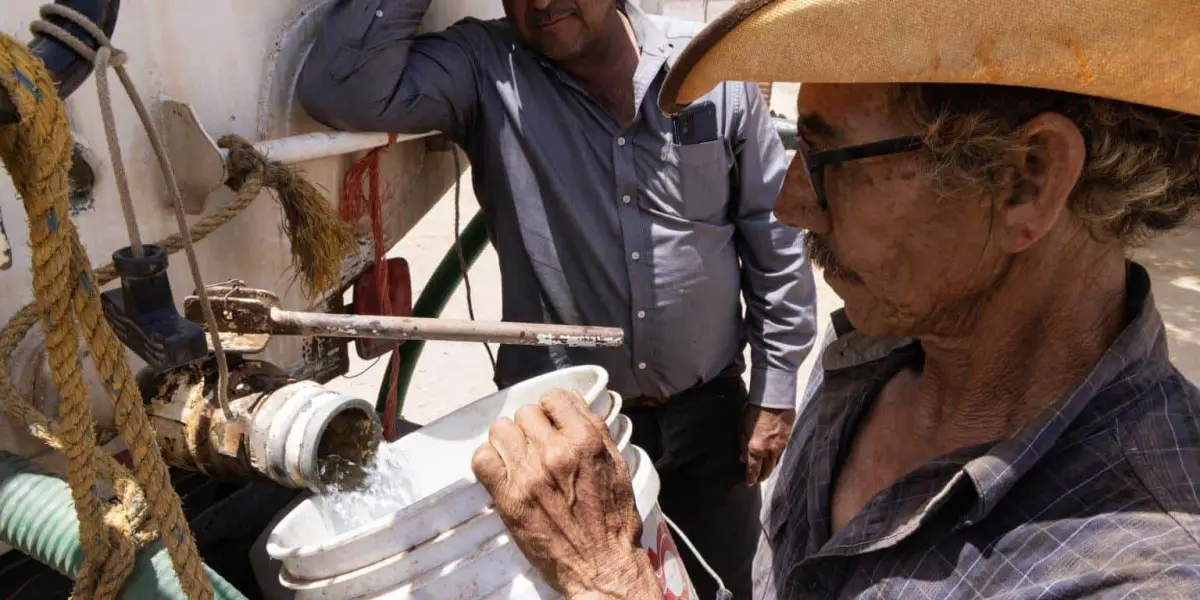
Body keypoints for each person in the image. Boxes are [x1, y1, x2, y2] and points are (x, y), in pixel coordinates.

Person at [468, 0, 1200, 598]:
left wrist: (611, 581)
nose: (792, 204)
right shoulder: (871, 365)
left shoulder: (1145, 568)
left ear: (1025, 180)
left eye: (826, 156)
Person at [297, 0, 818, 596]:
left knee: (722, 585)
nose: (539, 2)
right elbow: (337, 90)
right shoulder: (486, 70)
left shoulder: (709, 72)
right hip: (564, 436)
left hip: (714, 420)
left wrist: (775, 390)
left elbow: (773, 240)